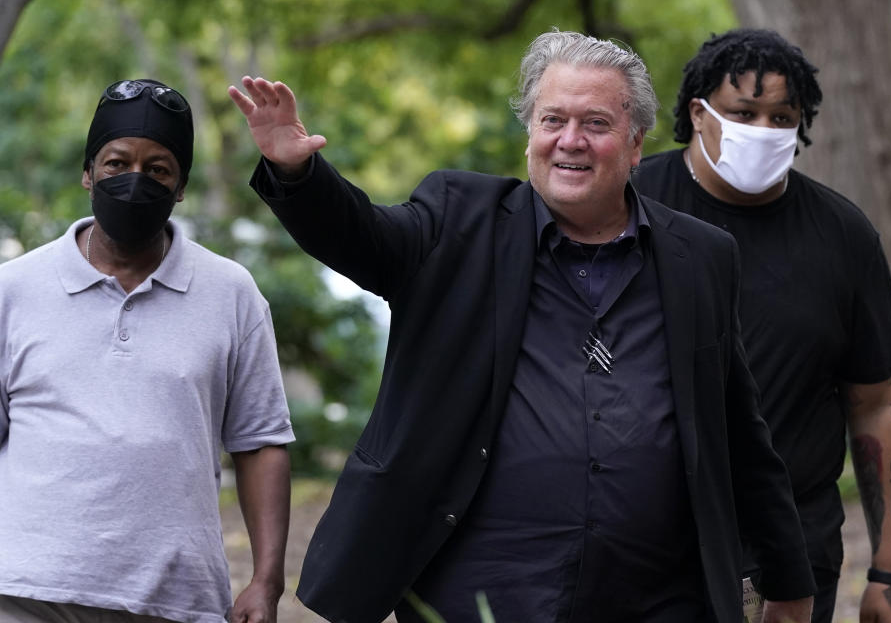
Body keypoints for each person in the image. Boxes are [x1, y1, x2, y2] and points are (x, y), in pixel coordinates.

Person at [229, 31, 816, 623]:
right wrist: (299, 174)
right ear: (530, 131)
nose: (570, 141)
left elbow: (740, 431)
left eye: (595, 123)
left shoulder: (702, 256)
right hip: (480, 592)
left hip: (658, 597)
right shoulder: (458, 218)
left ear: (636, 143)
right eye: (552, 119)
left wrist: (789, 580)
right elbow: (365, 239)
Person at [630, 28, 891, 623]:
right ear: (699, 113)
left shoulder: (842, 235)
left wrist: (889, 574)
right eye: (744, 112)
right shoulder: (630, 208)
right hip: (643, 543)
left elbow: (877, 401)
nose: (762, 131)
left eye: (781, 116)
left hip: (794, 549)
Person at [0, 79, 294, 623]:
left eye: (158, 170)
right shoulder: (12, 289)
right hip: (24, 590)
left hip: (173, 598)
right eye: (116, 164)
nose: (134, 181)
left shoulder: (230, 292)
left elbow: (261, 443)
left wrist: (266, 581)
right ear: (87, 173)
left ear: (180, 186)